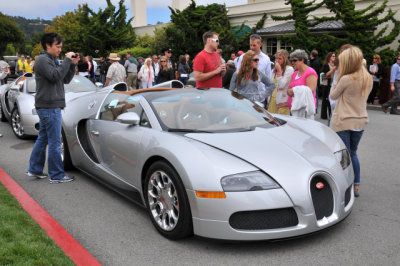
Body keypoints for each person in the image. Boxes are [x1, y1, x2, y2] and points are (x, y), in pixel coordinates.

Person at [26, 32, 78, 183]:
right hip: (50, 107)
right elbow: (55, 76)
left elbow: (65, 79)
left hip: (49, 106)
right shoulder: (42, 60)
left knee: (43, 139)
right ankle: (56, 175)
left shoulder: (52, 60)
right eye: (58, 46)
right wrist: (67, 60)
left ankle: (35, 169)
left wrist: (72, 64)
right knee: (55, 142)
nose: (60, 49)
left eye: (61, 47)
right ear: (48, 45)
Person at [329, 46, 373, 197]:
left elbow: (333, 96)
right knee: (353, 153)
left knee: (343, 155)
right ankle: (356, 184)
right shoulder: (368, 77)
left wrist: (336, 83)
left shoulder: (346, 79)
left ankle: (343, 185)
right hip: (360, 120)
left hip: (343, 120)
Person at [287, 49, 318, 119]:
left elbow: (311, 90)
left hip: (304, 111)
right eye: (291, 61)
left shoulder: (310, 72)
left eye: (294, 60)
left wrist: (294, 90)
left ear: (302, 60)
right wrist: (293, 91)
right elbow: (288, 90)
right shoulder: (294, 74)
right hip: (293, 109)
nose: (292, 63)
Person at [268, 49, 294, 115]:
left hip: (282, 100)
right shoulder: (274, 70)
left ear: (285, 59)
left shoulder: (289, 69)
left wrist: (279, 71)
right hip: (272, 99)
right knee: (272, 120)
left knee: (281, 121)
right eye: (276, 58)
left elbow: (281, 85)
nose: (277, 60)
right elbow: (271, 84)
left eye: (280, 58)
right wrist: (268, 98)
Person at [320, 52, 336, 119]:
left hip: (333, 83)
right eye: (333, 56)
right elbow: (326, 74)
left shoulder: (335, 65)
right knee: (325, 99)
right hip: (327, 84)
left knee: (331, 99)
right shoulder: (326, 65)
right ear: (329, 57)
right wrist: (333, 69)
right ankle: (324, 115)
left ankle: (331, 114)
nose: (334, 57)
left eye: (335, 56)